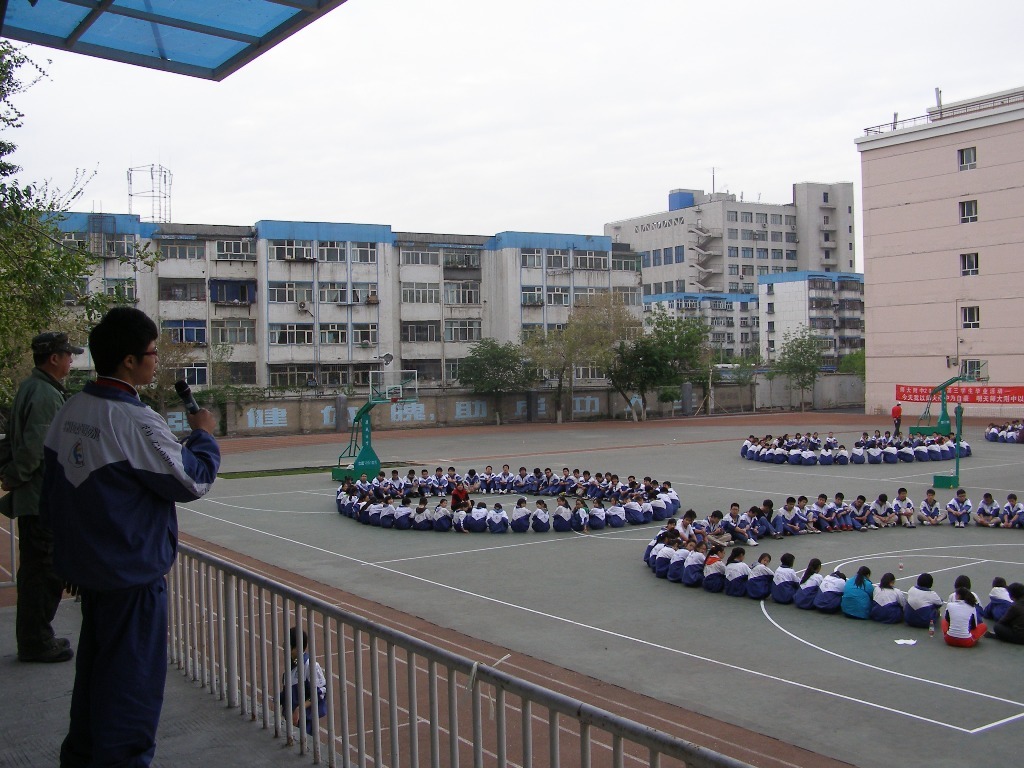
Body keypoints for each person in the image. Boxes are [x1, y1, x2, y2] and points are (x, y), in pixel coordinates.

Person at [40, 307, 220, 768]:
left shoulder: (72, 410)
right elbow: (192, 481)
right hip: (132, 580)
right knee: (129, 698)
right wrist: (203, 437)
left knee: (94, 690)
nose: (156, 359)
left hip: (93, 573)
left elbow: (54, 497)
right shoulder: (134, 420)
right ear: (127, 361)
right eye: (151, 352)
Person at [2, 331, 84, 663]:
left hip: (34, 497)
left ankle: (36, 636)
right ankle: (36, 640)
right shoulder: (46, 395)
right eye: (67, 355)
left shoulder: (31, 387)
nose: (70, 360)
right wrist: (14, 477)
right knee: (43, 572)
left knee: (36, 570)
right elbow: (36, 449)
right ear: (54, 358)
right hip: (40, 499)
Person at [279, 627, 327, 736]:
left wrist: (300, 708)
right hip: (291, 719)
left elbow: (321, 691)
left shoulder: (310, 665)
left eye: (287, 645)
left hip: (306, 721)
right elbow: (289, 692)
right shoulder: (291, 664)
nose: (283, 647)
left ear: (297, 648)